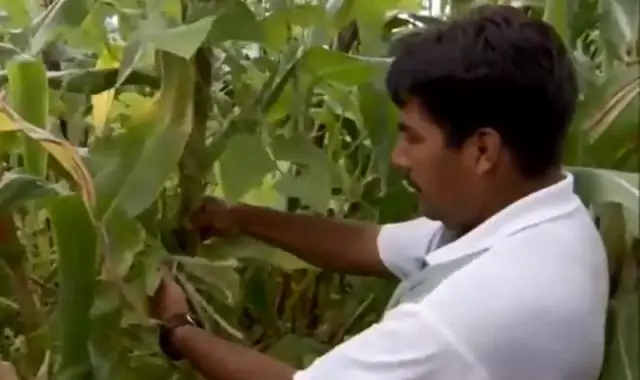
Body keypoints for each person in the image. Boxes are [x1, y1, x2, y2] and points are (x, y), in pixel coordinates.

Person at [149, 4, 609, 380]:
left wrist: (178, 330)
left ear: (483, 149)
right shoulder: (544, 218)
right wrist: (240, 217)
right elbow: (367, 244)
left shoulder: (469, 315)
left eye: (412, 138)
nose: (398, 158)